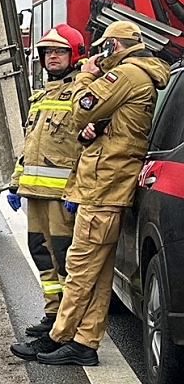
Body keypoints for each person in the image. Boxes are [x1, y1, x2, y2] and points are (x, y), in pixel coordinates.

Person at [37, 20, 170, 366]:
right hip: (109, 184)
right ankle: (85, 341)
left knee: (80, 265)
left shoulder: (125, 75)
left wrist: (86, 75)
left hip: (104, 185)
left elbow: (81, 107)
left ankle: (59, 336)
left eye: (104, 49)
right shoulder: (139, 76)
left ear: (114, 46)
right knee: (98, 270)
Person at [8, 25, 88, 360]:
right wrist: (16, 182)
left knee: (64, 258)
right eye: (47, 52)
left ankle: (67, 326)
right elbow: (30, 145)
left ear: (74, 55)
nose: (52, 57)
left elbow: (87, 149)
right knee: (41, 255)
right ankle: (53, 313)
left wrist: (77, 191)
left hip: (61, 198)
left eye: (59, 51)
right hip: (35, 194)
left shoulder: (81, 94)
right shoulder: (41, 96)